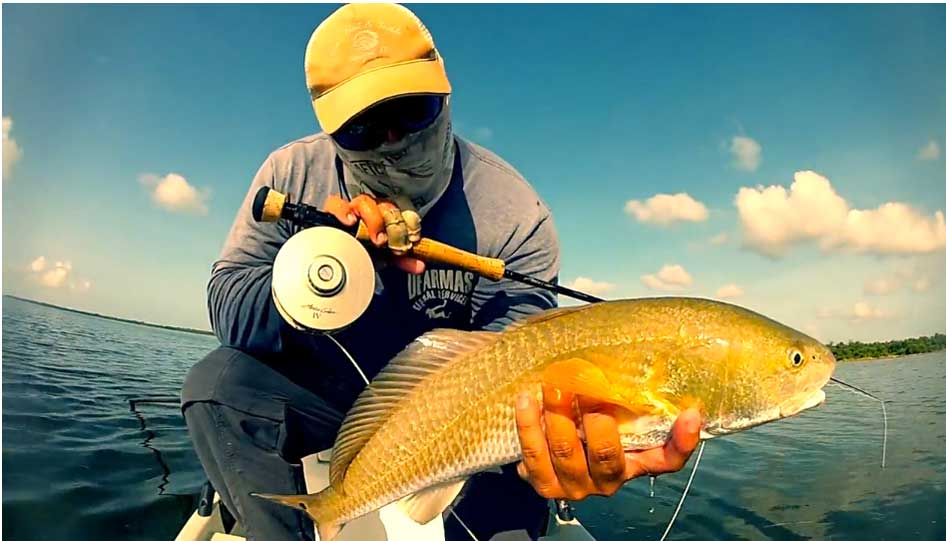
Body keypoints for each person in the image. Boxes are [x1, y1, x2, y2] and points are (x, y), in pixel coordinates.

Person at [181, 4, 701, 540]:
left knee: (510, 505)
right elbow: (228, 309)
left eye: (412, 110)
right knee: (218, 385)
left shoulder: (514, 214)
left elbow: (520, 359)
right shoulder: (291, 175)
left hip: (461, 418)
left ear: (446, 97)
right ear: (329, 130)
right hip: (328, 394)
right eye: (360, 128)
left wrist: (539, 446)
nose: (390, 139)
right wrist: (326, 260)